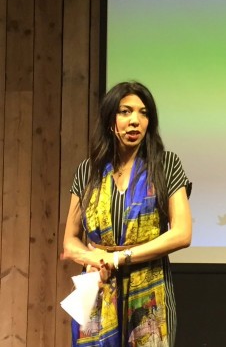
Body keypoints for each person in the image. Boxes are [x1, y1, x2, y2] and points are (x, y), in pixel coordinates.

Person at [62, 81, 192, 347]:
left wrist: (119, 257)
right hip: (97, 286)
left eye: (143, 113)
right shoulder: (88, 170)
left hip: (149, 291)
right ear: (110, 120)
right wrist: (93, 257)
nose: (135, 121)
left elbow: (182, 234)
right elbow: (70, 241)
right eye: (125, 112)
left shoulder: (166, 165)